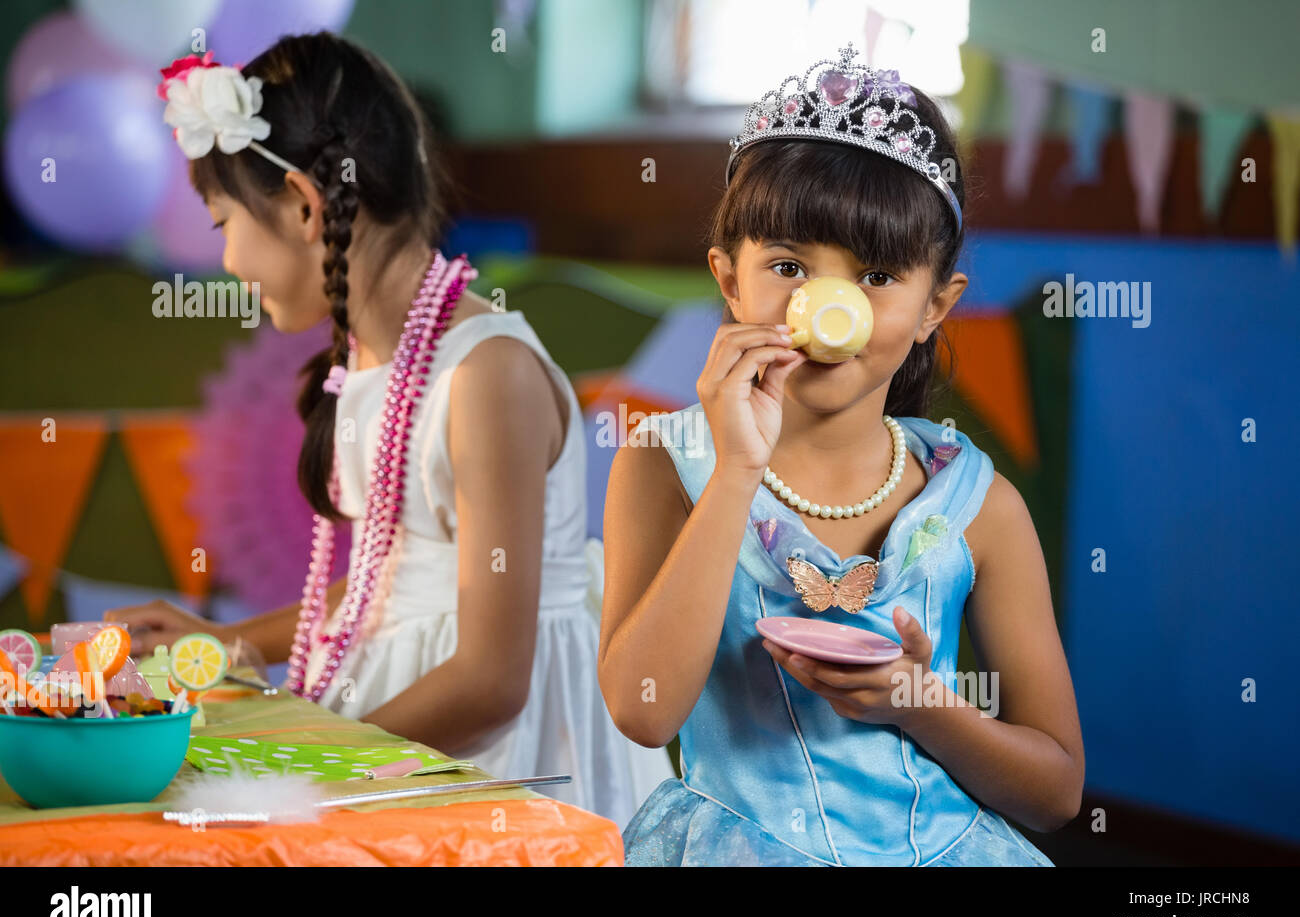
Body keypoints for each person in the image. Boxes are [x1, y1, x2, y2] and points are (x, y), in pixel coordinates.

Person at [109, 32, 671, 829]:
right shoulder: (380, 354)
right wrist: (237, 641)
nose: (229, 262)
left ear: (305, 206)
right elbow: (397, 574)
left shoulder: (486, 375)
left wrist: (300, 757)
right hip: (397, 719)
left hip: (496, 758)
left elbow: (492, 683)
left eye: (223, 224)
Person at [600, 45, 1084, 864]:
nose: (826, 309)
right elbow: (644, 713)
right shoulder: (662, 463)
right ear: (729, 281)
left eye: (877, 276)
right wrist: (737, 472)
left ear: (936, 305)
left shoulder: (978, 503)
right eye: (788, 266)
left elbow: (1057, 791)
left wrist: (919, 703)